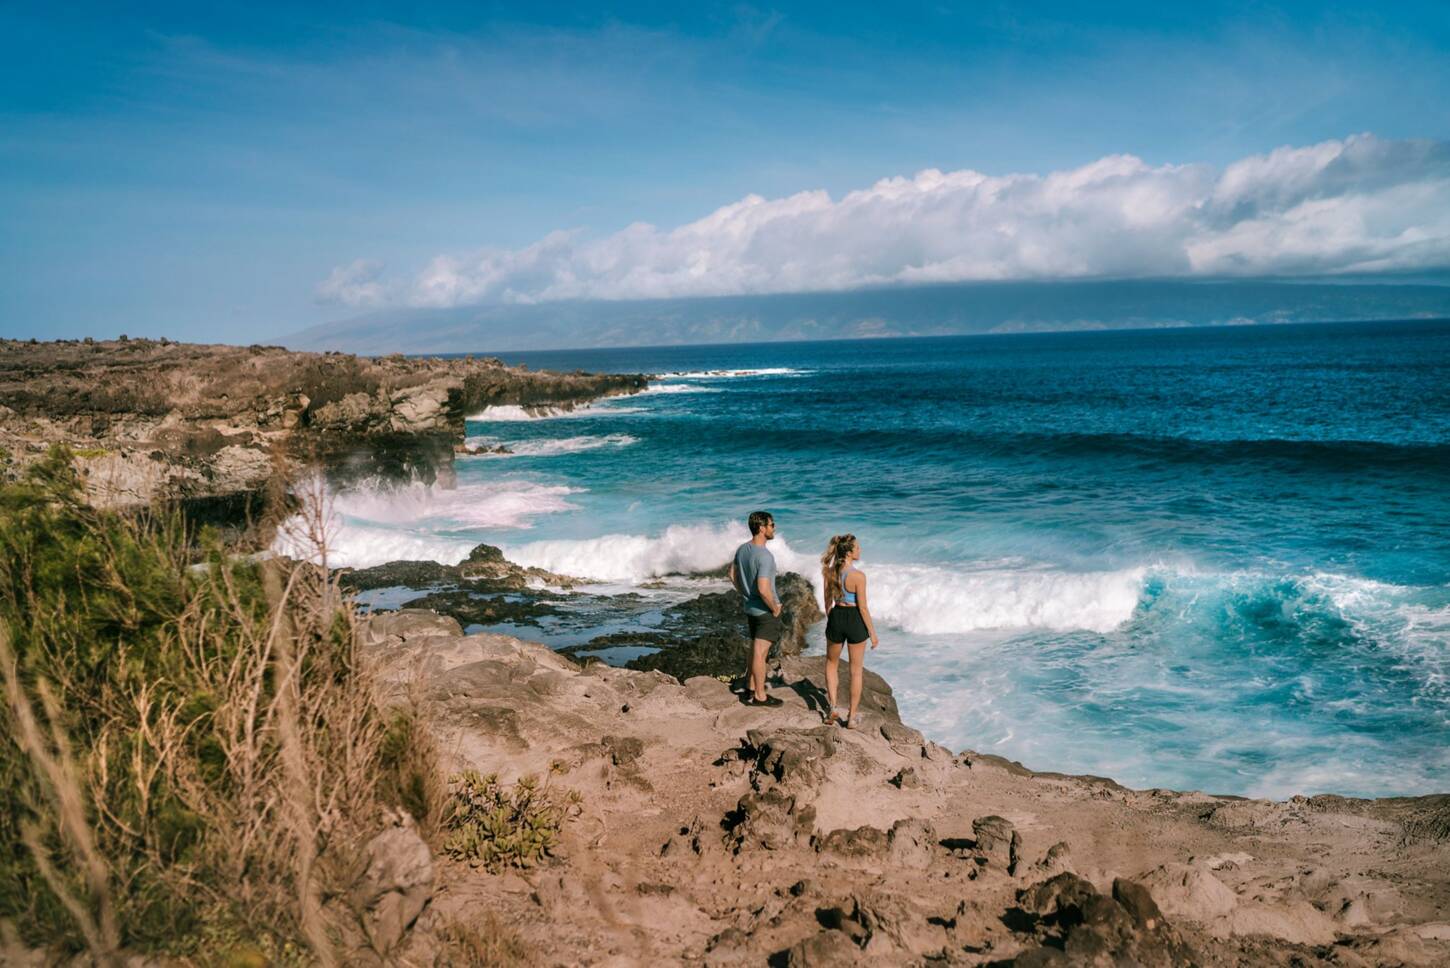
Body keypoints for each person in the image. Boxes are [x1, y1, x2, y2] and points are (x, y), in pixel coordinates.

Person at [821, 533, 878, 727]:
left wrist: (834, 620)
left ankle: (833, 708)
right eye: (858, 547)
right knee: (856, 671)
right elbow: (863, 608)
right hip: (855, 620)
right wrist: (872, 633)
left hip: (837, 616)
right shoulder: (858, 576)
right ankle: (852, 718)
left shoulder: (828, 573)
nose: (860, 550)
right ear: (850, 552)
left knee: (831, 664)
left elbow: (827, 603)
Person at [728, 510, 784, 707]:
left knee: (754, 649)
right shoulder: (765, 556)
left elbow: (731, 574)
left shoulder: (743, 549)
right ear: (761, 528)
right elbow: (763, 588)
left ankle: (751, 688)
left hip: (751, 608)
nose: (774, 528)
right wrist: (774, 607)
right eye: (771, 525)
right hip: (764, 612)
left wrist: (744, 592)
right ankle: (760, 696)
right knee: (761, 654)